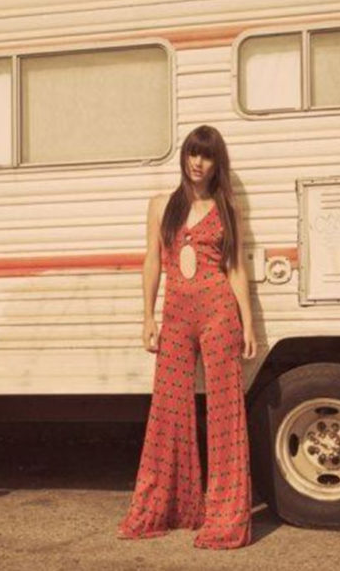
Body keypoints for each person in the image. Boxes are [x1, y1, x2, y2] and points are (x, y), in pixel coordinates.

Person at [116, 124, 257, 549]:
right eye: (193, 154)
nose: (198, 162)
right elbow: (152, 262)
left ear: (217, 164)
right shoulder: (162, 206)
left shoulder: (226, 208)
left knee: (225, 414)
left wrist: (248, 323)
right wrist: (147, 317)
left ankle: (225, 517)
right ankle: (169, 508)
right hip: (175, 316)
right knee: (169, 411)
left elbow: (234, 267)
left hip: (219, 313)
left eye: (207, 156)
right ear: (184, 157)